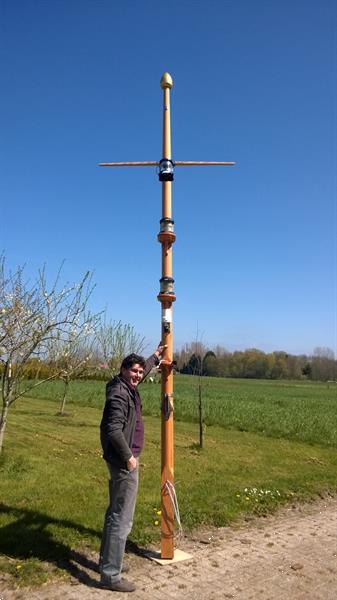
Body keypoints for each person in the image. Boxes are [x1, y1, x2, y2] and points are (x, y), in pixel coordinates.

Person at [99, 344, 165, 592]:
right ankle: (111, 576)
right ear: (123, 370)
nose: (138, 375)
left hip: (120, 459)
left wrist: (155, 357)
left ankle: (107, 562)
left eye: (140, 371)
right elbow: (113, 429)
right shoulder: (119, 394)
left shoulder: (126, 384)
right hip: (123, 462)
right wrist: (129, 457)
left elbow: (144, 369)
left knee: (114, 513)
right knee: (121, 519)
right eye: (134, 371)